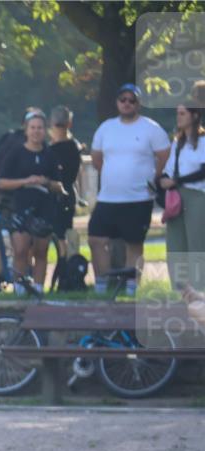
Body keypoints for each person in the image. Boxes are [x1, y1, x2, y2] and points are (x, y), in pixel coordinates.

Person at [89, 84, 171, 295]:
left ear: (138, 103)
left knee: (134, 244)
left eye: (131, 100)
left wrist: (155, 176)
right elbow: (97, 158)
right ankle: (102, 284)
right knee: (96, 239)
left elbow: (164, 155)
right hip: (108, 197)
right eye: (122, 99)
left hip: (138, 198)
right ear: (117, 102)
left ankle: (131, 287)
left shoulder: (151, 128)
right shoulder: (106, 127)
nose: (126, 103)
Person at [0, 109, 65, 294]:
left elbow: (60, 185)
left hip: (44, 206)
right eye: (32, 128)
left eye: (40, 128)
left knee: (41, 250)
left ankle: (38, 288)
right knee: (20, 249)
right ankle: (19, 288)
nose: (36, 131)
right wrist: (26, 181)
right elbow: (2, 182)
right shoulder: (16, 153)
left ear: (45, 131)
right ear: (26, 130)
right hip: (21, 206)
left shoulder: (49, 154)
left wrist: (47, 182)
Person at [0, 106, 41, 290]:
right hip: (13, 198)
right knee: (19, 241)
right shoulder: (18, 142)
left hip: (8, 198)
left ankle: (9, 283)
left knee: (6, 242)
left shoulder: (10, 138)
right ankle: (17, 281)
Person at [158, 101, 205, 291]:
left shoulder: (202, 141)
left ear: (194, 116)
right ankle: (180, 289)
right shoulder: (177, 143)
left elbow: (203, 171)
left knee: (197, 242)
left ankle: (200, 288)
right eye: (177, 113)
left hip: (197, 195)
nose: (178, 117)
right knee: (176, 243)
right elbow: (169, 170)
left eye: (183, 113)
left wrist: (177, 181)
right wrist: (163, 179)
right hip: (176, 198)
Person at [48, 106, 84, 274]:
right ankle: (66, 270)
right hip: (68, 194)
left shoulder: (55, 150)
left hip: (58, 196)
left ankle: (64, 270)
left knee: (59, 237)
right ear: (70, 123)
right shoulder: (74, 147)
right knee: (62, 235)